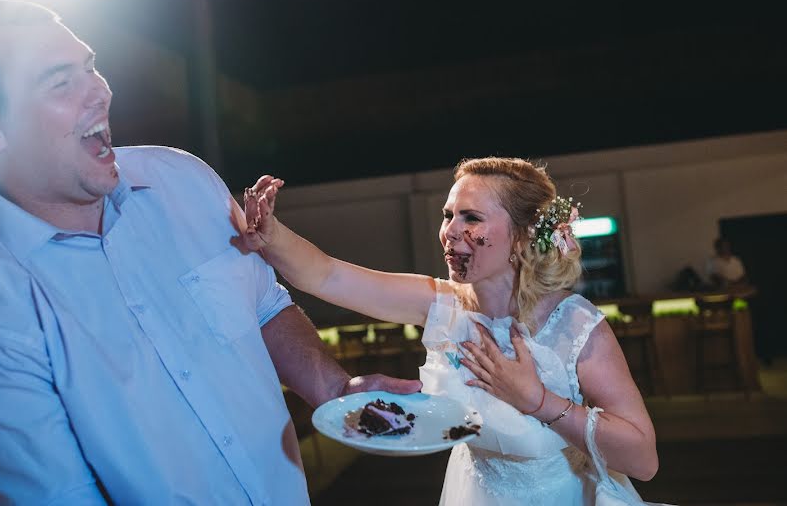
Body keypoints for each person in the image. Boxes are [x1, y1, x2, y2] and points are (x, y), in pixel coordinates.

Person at [0, 0, 420, 505]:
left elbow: (265, 309)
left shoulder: (184, 180)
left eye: (90, 67)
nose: (100, 91)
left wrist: (335, 393)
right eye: (59, 82)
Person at [236, 160, 665, 505]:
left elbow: (643, 459)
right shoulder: (441, 304)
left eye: (471, 217)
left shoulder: (575, 326)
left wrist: (538, 401)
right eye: (448, 215)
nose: (450, 231)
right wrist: (272, 235)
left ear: (521, 236)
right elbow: (327, 276)